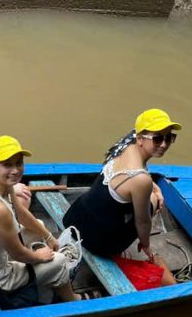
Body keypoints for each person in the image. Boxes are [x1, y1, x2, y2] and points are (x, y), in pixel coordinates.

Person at [0, 136, 86, 307]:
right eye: (7, 164)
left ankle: (47, 276)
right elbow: (19, 254)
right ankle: (73, 300)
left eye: (19, 163)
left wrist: (48, 236)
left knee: (38, 225)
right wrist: (39, 257)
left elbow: (22, 214)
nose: (16, 170)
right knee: (60, 261)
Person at [62, 108, 179, 289]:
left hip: (75, 217)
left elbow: (139, 176)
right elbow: (143, 222)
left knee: (148, 195)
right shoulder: (141, 179)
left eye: (169, 138)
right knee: (154, 202)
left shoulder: (125, 145)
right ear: (140, 138)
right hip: (98, 242)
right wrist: (146, 244)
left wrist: (153, 188)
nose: (163, 144)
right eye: (157, 138)